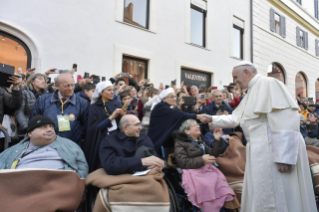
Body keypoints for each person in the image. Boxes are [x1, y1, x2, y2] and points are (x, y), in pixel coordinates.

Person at [200, 61, 316, 211]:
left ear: (247, 72)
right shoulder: (251, 91)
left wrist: (284, 156)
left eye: (236, 77)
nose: (235, 82)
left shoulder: (270, 84)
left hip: (274, 150)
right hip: (259, 151)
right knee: (262, 194)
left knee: (279, 194)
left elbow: (286, 119)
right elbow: (237, 118)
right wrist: (212, 119)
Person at [174, 119, 236, 211]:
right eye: (194, 125)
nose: (198, 126)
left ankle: (220, 207)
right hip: (192, 171)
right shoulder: (180, 143)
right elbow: (183, 162)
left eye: (197, 124)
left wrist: (217, 139)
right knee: (206, 185)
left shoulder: (199, 142)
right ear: (187, 131)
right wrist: (202, 160)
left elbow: (213, 154)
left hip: (205, 169)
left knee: (221, 183)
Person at [0, 115, 88, 178]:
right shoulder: (13, 151)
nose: (49, 129)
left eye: (51, 127)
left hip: (59, 189)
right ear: (30, 133)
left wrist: (82, 191)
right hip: (20, 190)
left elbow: (82, 167)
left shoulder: (70, 146)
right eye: (43, 127)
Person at [29, 73, 89, 146]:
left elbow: (85, 127)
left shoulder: (83, 103)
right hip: (46, 146)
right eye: (66, 86)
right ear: (57, 85)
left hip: (71, 148)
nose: (70, 88)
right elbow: (34, 123)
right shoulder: (43, 100)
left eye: (72, 85)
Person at [82, 81, 125, 173]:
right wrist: (111, 117)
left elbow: (122, 125)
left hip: (116, 140)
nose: (112, 92)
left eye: (113, 90)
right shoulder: (93, 108)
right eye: (109, 90)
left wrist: (123, 116)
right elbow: (94, 128)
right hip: (100, 141)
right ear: (101, 93)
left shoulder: (117, 104)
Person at [100, 114, 164, 175]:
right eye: (137, 125)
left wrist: (161, 163)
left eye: (140, 124)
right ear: (126, 128)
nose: (141, 128)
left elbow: (156, 156)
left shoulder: (145, 138)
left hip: (148, 176)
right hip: (122, 179)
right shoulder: (109, 141)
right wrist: (140, 162)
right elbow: (110, 165)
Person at [148, 87, 207, 152]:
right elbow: (179, 115)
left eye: (175, 96)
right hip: (156, 139)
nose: (174, 99)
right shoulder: (161, 107)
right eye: (171, 97)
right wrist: (198, 116)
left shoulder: (164, 106)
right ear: (164, 98)